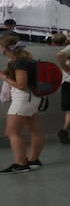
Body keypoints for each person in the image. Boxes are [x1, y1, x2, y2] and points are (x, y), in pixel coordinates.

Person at [1, 35, 44, 172]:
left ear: (5, 48)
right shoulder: (27, 60)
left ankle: (21, 163)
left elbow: (21, 85)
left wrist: (4, 77)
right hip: (33, 97)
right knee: (35, 130)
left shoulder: (19, 62)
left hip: (23, 98)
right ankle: (33, 160)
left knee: (12, 131)